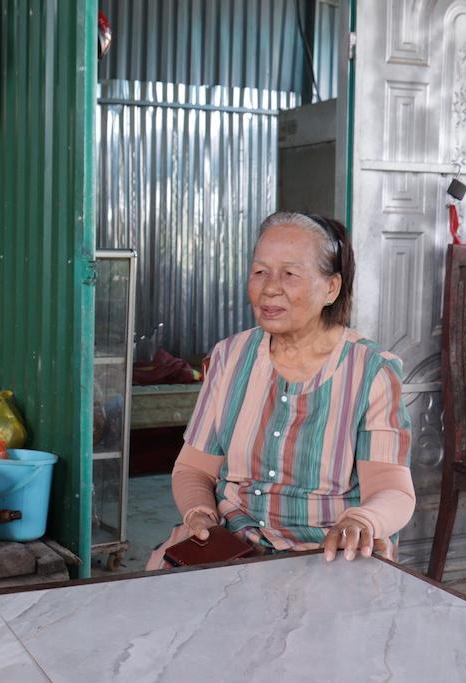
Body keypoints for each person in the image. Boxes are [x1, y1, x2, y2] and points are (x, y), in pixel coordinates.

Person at [147, 212, 415, 570]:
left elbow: (393, 490)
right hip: (233, 542)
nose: (270, 288)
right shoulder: (229, 357)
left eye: (290, 274)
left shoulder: (371, 372)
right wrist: (200, 516)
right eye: (260, 272)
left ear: (331, 288)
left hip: (327, 552)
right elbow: (194, 469)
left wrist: (362, 522)